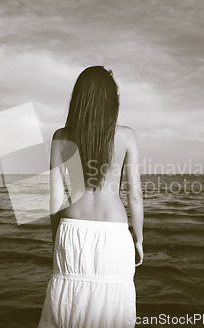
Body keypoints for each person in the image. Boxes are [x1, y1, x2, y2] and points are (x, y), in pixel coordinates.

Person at [38, 66, 144, 328]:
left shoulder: (61, 137)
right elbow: (135, 196)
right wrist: (139, 240)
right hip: (114, 236)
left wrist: (57, 238)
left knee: (68, 310)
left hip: (71, 231)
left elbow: (54, 197)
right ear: (112, 101)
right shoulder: (126, 135)